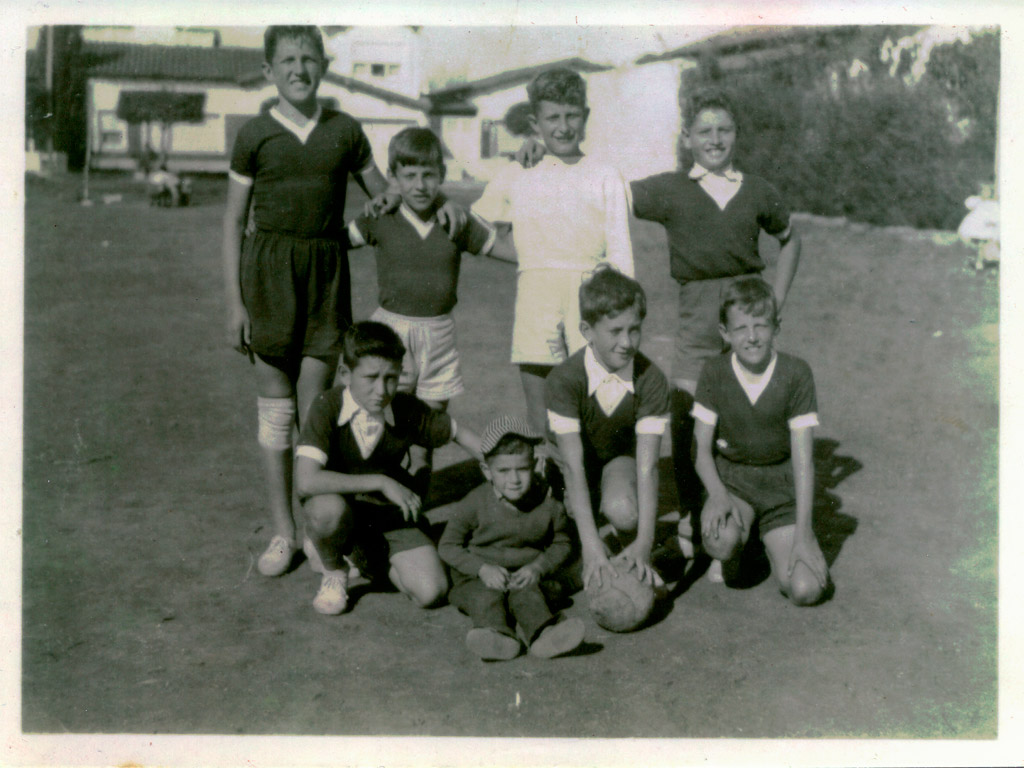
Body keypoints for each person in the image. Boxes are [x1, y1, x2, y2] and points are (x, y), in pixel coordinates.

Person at [515, 86, 802, 576]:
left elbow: (791, 238)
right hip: (695, 319)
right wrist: (547, 155)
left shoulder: (757, 190)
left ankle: (749, 517)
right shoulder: (670, 189)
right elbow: (604, 187)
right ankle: (697, 525)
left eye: (724, 130)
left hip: (746, 316)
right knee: (690, 423)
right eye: (704, 131)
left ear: (736, 135)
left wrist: (775, 300)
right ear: (687, 138)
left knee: (748, 414)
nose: (715, 139)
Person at [222, 27, 464, 578]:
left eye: (309, 58)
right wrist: (234, 304)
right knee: (275, 415)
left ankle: (320, 532)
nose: (299, 69)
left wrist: (442, 200)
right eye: (287, 60)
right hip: (268, 277)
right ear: (268, 70)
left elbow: (392, 193)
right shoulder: (254, 134)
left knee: (315, 413)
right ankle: (283, 530)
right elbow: (233, 222)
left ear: (325, 65)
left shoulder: (345, 130)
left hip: (326, 275)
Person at [471, 67, 634, 450]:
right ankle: (552, 497)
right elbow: (477, 226)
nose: (563, 127)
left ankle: (590, 493)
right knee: (540, 414)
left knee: (591, 405)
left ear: (586, 116)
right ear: (535, 122)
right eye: (552, 118)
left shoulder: (605, 175)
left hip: (590, 299)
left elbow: (622, 255)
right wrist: (529, 258)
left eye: (571, 115)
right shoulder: (520, 170)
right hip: (536, 296)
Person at [344, 127, 515, 491]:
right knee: (382, 418)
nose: (420, 185)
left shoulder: (455, 220)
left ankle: (418, 503)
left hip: (438, 335)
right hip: (392, 334)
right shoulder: (381, 216)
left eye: (429, 175)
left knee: (428, 428)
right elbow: (334, 243)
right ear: (393, 178)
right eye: (409, 176)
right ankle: (377, 502)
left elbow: (509, 250)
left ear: (442, 175)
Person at [294, 322, 484, 615]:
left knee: (431, 592)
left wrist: (499, 463)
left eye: (391, 378)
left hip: (387, 515)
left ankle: (363, 555)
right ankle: (334, 570)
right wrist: (381, 482)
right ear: (346, 374)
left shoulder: (406, 407)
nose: (381, 390)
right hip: (339, 507)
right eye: (370, 377)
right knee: (327, 512)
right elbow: (306, 481)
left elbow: (461, 434)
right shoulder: (326, 406)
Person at [691, 277, 828, 605]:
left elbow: (803, 461)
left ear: (776, 327)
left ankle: (769, 542)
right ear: (725, 332)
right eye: (740, 328)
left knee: (805, 590)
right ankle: (737, 549)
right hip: (734, 483)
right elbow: (700, 452)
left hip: (781, 490)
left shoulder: (796, 373)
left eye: (760, 325)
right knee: (721, 540)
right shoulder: (714, 372)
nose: (751, 337)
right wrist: (718, 495)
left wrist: (804, 535)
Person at [545, 267, 670, 590]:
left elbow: (649, 466)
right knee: (556, 541)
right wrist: (590, 548)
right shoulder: (564, 379)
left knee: (625, 512)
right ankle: (597, 542)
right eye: (615, 331)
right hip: (570, 469)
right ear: (587, 330)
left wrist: (645, 541)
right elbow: (572, 466)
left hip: (617, 463)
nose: (626, 342)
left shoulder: (651, 379)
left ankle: (635, 549)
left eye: (634, 330)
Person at [439, 415, 585, 660]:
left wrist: (538, 567)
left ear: (536, 464)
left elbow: (562, 542)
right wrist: (481, 569)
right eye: (504, 471)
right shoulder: (473, 504)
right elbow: (448, 546)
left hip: (525, 575)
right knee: (485, 598)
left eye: (523, 469)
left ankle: (545, 635)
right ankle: (496, 636)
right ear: (487, 471)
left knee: (530, 596)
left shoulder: (548, 503)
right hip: (479, 577)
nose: (515, 480)